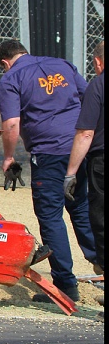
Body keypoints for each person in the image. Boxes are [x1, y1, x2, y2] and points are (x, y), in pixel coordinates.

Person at [0, 39, 97, 303]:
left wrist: (8, 158)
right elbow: (90, 100)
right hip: (79, 149)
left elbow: (12, 123)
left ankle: (65, 286)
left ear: (5, 63)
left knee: (51, 216)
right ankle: (101, 264)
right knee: (81, 208)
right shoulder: (62, 65)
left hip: (49, 153)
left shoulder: (11, 79)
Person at [64, 40, 104, 316]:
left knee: (101, 223)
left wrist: (71, 172)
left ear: (98, 62)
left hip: (101, 162)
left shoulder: (98, 85)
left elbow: (85, 133)